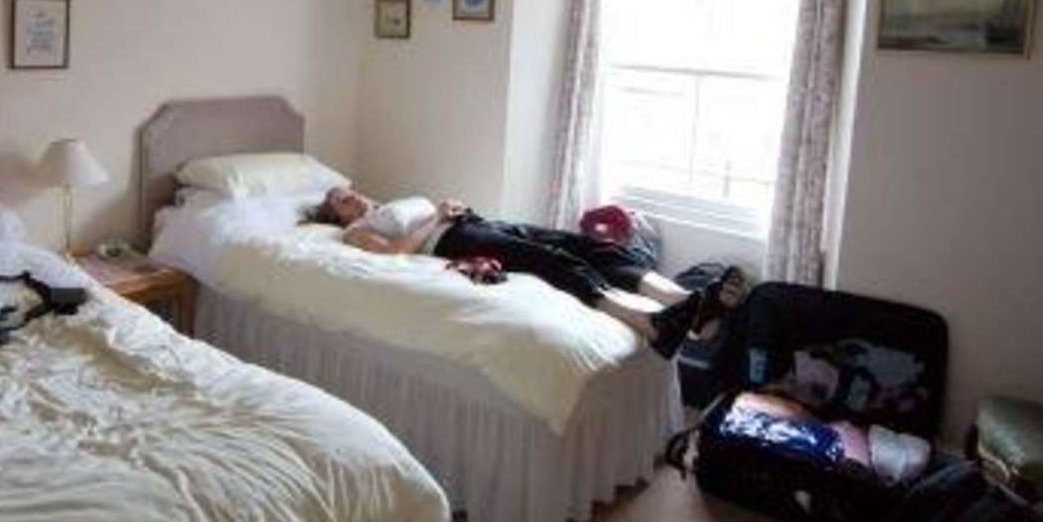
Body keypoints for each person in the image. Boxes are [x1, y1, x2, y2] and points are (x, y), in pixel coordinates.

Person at [310, 186, 740, 349]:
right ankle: (650, 325)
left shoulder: (384, 204)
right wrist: (438, 216)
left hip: (473, 223)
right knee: (551, 262)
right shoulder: (356, 232)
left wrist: (452, 208)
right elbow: (394, 254)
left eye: (351, 190)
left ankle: (686, 301)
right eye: (342, 199)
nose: (354, 196)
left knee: (583, 244)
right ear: (336, 216)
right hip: (453, 241)